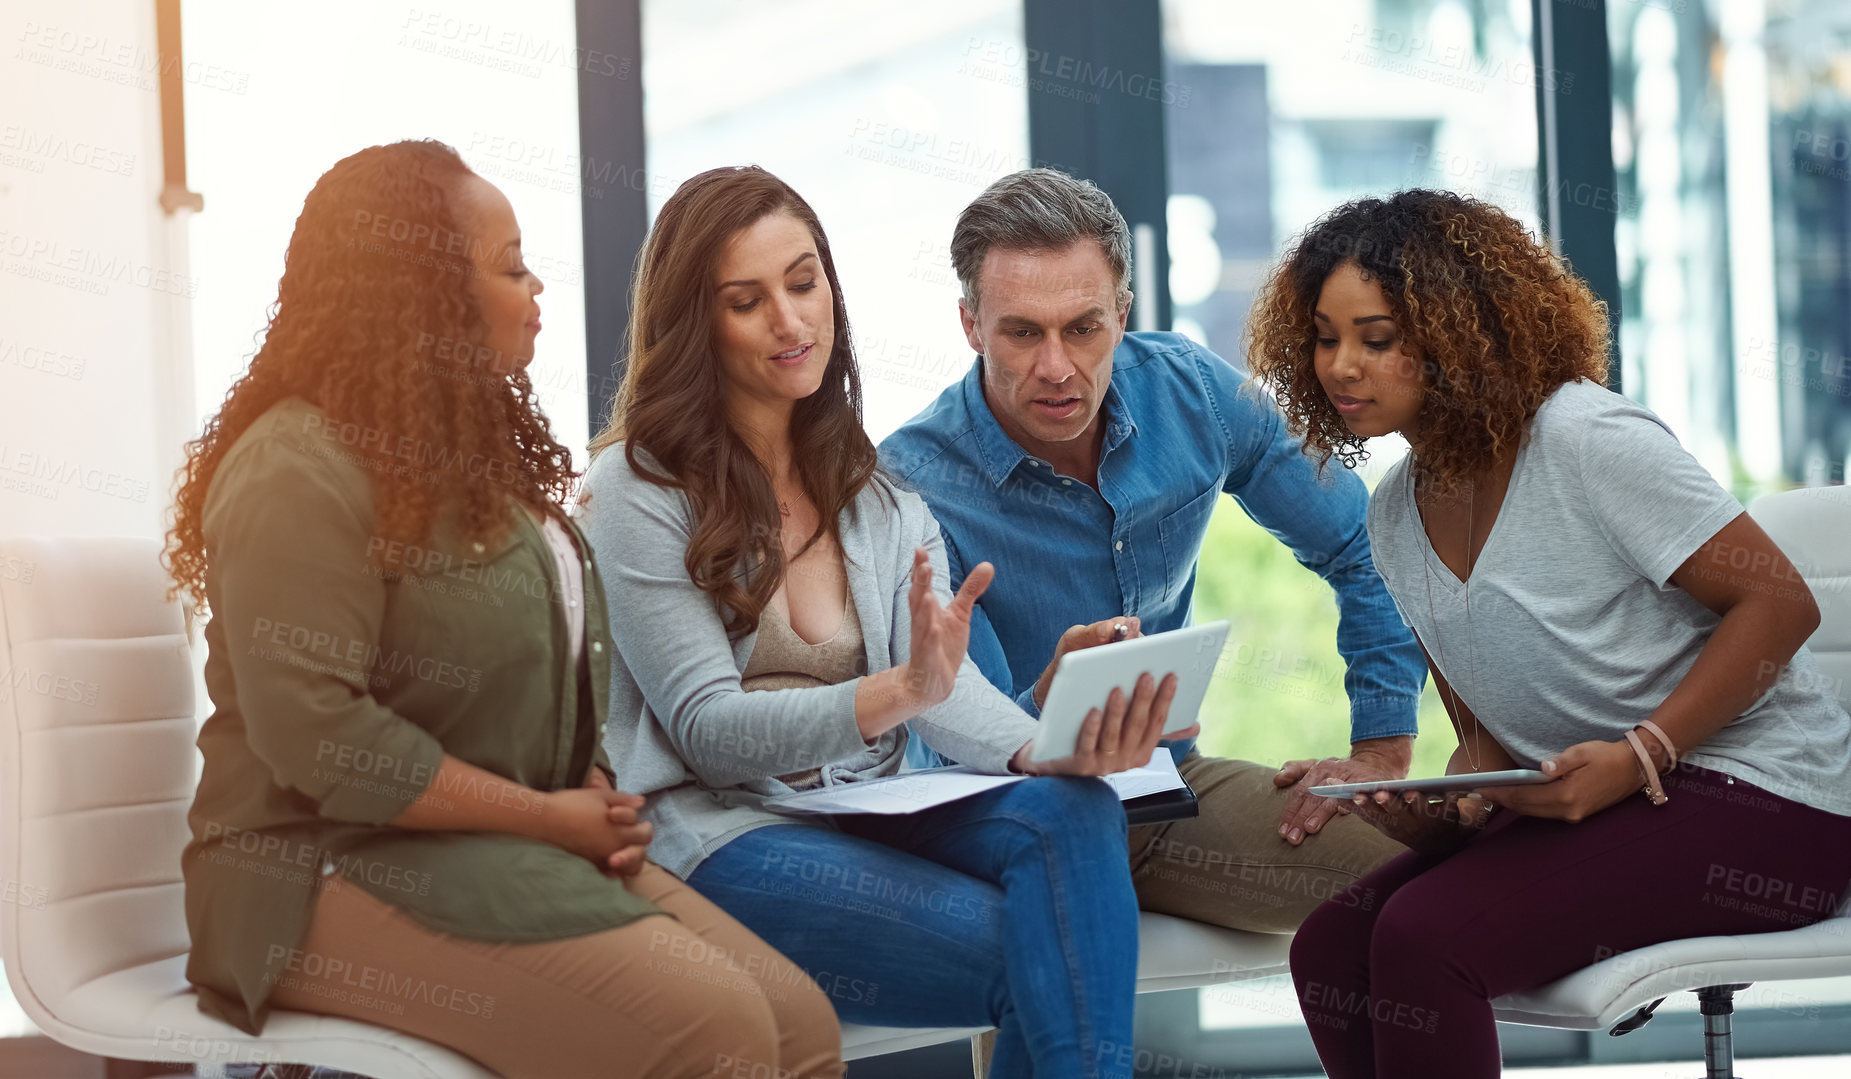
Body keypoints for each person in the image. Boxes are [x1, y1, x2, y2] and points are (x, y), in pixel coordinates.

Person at [165, 140, 843, 1079]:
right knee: (713, 1033)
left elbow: (539, 669)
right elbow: (318, 737)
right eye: (510, 263)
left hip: (492, 842)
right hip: (306, 873)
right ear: (424, 294)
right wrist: (542, 816)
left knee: (797, 1025)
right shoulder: (295, 467)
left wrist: (583, 790)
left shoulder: (469, 467)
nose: (536, 287)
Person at [576, 165, 1181, 1079]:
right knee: (1050, 956)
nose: (790, 321)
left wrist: (1043, 747)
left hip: (871, 808)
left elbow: (946, 694)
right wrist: (893, 692)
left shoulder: (873, 492)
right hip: (726, 831)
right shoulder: (639, 489)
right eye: (747, 300)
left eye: (803, 281)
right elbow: (708, 733)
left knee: (1071, 803)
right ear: (696, 322)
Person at [1249, 189, 1851, 1077]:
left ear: (1457, 333)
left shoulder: (1581, 438)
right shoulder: (1392, 517)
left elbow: (1781, 605)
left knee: (1425, 939)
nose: (1341, 365)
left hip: (1774, 800)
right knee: (1331, 946)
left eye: (1375, 338)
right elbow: (1486, 745)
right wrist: (1427, 807)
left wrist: (1641, 751)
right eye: (1325, 337)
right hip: (1611, 806)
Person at [879, 168, 1419, 934]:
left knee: (1411, 879)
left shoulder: (1189, 393)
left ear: (1123, 314)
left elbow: (1363, 548)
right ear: (971, 324)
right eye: (1022, 331)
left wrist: (1380, 748)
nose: (1057, 366)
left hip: (1161, 787)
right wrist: (1047, 705)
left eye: (1084, 327)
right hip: (1000, 815)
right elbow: (956, 741)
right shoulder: (909, 484)